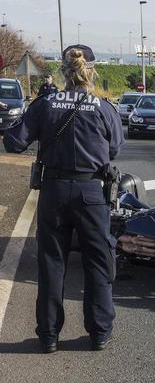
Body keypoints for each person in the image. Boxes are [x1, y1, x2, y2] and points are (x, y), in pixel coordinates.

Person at [3, 44, 124, 353]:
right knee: (98, 262)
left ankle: (48, 335)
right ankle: (99, 332)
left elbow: (15, 143)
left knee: (52, 263)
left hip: (54, 193)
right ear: (92, 71)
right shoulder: (103, 107)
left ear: (62, 73)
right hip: (91, 193)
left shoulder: (45, 103)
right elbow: (114, 149)